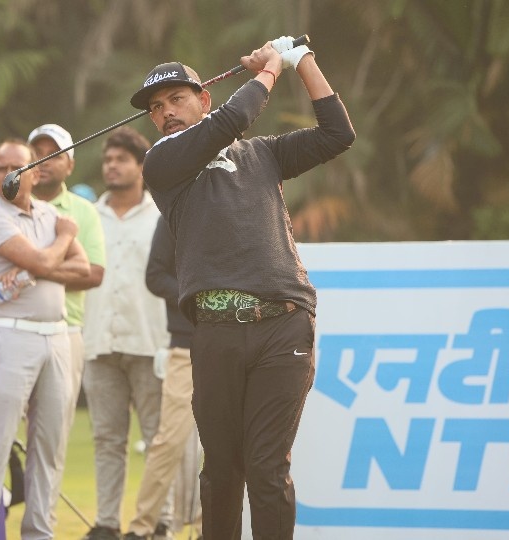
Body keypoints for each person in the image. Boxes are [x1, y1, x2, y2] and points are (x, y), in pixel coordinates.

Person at [131, 37, 356, 539]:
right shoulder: (162, 164)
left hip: (284, 325)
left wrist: (300, 61)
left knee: (267, 467)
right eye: (156, 108)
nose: (166, 113)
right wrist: (270, 69)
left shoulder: (263, 154)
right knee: (221, 472)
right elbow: (231, 120)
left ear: (203, 98)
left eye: (176, 99)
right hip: (216, 332)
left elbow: (337, 133)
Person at [0, 138, 90, 540]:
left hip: (57, 336)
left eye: (17, 167)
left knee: (49, 450)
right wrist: (61, 242)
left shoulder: (50, 215)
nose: (9, 174)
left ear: (35, 173)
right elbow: (43, 259)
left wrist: (33, 269)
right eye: (1, 168)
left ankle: (39, 534)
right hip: (10, 335)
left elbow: (84, 270)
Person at [0, 124, 107, 432]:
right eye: (38, 154)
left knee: (53, 433)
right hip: (9, 328)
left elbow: (91, 272)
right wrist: (55, 250)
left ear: (70, 165)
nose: (45, 161)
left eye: (55, 155)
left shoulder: (81, 211)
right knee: (1, 429)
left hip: (66, 328)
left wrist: (29, 271)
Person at [81, 127, 170, 540]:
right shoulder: (86, 218)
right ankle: (105, 524)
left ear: (141, 166)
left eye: (121, 159)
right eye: (107, 160)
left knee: (158, 439)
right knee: (106, 439)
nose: (111, 166)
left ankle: (160, 521)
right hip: (99, 341)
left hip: (151, 342)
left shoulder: (163, 215)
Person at [123, 215, 202, 540]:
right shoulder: (174, 215)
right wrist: (199, 298)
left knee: (225, 444)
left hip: (231, 342)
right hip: (185, 345)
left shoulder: (238, 208)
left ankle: (209, 528)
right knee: (169, 440)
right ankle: (141, 528)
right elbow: (155, 276)